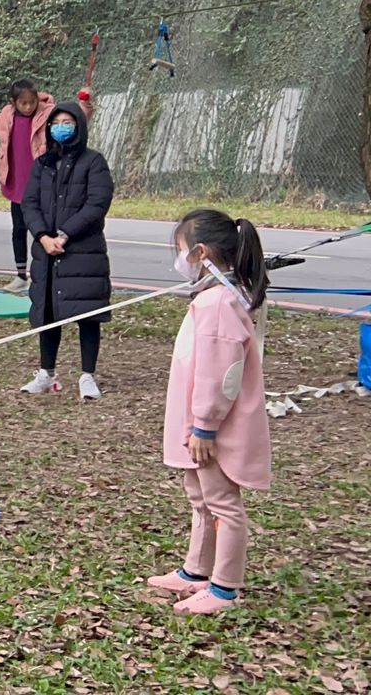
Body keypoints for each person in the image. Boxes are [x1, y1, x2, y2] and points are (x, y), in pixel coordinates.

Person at [148, 209, 272, 616]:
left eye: (182, 251)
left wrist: (205, 426)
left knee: (222, 502)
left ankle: (224, 588)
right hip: (197, 424)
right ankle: (196, 570)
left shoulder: (219, 302)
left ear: (201, 253)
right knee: (200, 497)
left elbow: (222, 373)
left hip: (211, 427)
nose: (179, 259)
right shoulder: (214, 296)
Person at [21, 102, 114, 401]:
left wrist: (65, 234)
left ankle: (88, 375)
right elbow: (29, 204)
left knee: (88, 315)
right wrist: (42, 236)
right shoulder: (42, 164)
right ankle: (46, 373)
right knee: (48, 313)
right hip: (47, 254)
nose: (61, 127)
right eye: (56, 122)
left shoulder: (94, 162)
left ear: (79, 126)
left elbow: (97, 203)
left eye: (68, 122)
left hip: (83, 252)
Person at [0, 80, 92, 294]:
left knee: (45, 231)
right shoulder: (7, 116)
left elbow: (74, 122)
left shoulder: (48, 113)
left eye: (32, 102)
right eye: (23, 103)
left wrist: (85, 104)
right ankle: (20, 277)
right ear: (14, 102)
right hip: (17, 184)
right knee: (19, 231)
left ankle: (47, 276)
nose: (28, 107)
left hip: (43, 185)